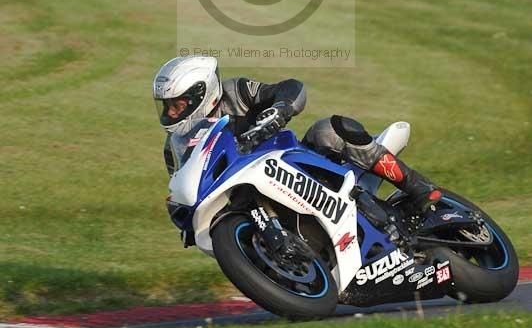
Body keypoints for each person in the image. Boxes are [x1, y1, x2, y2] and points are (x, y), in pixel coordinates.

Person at [153, 55, 441, 212]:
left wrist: (280, 109)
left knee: (328, 130)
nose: (172, 114)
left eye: (177, 105)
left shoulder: (235, 92)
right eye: (167, 107)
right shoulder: (175, 146)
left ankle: (418, 186)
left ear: (201, 94)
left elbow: (291, 87)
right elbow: (183, 187)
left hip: (289, 164)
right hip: (246, 197)